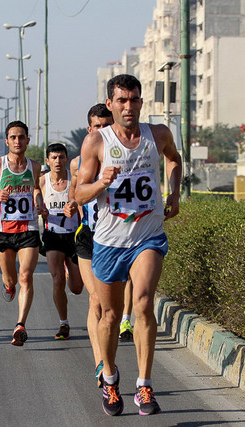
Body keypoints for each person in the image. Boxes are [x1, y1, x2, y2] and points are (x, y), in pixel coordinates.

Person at [76, 74, 182, 416]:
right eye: (121, 100)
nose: (128, 106)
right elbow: (79, 193)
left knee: (143, 303)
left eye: (134, 100)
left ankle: (144, 386)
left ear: (141, 102)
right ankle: (109, 380)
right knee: (108, 316)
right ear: (110, 104)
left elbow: (174, 160)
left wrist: (175, 192)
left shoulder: (158, 134)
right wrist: (100, 183)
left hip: (147, 237)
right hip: (108, 241)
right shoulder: (96, 142)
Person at [0, 121, 47, 346]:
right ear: (7, 141)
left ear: (27, 140)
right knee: (10, 278)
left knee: (26, 276)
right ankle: (8, 285)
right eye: (13, 137)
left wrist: (39, 203)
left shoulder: (35, 166)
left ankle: (20, 325)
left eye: (21, 137)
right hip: (4, 230)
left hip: (28, 228)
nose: (17, 141)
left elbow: (37, 188)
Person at [69, 104, 114, 384]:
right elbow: (77, 192)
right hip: (88, 236)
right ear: (90, 129)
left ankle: (108, 360)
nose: (102, 131)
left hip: (115, 238)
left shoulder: (124, 157)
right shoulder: (79, 162)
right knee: (95, 299)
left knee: (111, 308)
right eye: (97, 126)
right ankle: (101, 363)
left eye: (106, 126)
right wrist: (73, 204)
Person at [40, 143, 83, 340]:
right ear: (47, 161)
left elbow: (82, 202)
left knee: (76, 288)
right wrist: (40, 209)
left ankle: (70, 271)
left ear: (67, 159)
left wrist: (74, 206)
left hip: (73, 235)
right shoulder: (42, 182)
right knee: (57, 280)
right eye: (54, 158)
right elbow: (34, 201)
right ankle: (63, 323)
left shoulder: (75, 181)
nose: (57, 161)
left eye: (61, 157)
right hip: (52, 236)